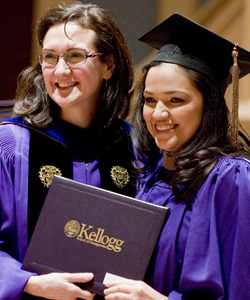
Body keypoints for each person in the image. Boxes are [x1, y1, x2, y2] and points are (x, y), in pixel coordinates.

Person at [103, 13, 250, 300]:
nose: (158, 114)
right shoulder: (149, 176)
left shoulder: (230, 179)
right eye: (149, 100)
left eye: (176, 100)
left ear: (209, 105)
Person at [0, 2, 136, 299]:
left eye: (75, 56)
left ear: (108, 66)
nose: (61, 70)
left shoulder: (134, 149)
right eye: (50, 57)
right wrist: (29, 283)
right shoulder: (11, 145)